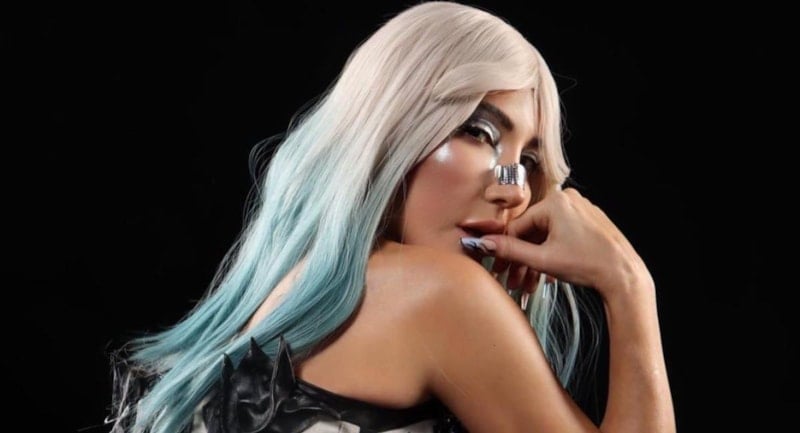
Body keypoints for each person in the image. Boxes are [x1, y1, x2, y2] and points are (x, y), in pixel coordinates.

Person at [105, 1, 675, 432]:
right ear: (392, 128)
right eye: (479, 132)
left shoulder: (280, 301)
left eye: (526, 162)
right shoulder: (439, 294)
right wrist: (629, 285)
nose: (512, 190)